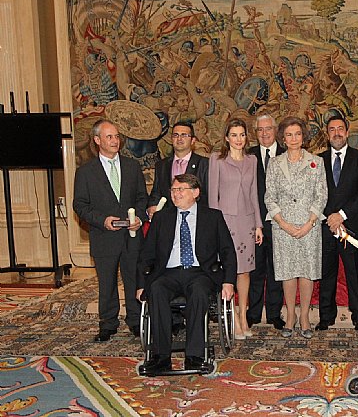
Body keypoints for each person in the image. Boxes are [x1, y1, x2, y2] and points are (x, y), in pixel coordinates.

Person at [136, 174, 237, 375]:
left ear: (196, 192)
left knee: (199, 292)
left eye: (181, 189)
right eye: (173, 190)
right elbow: (146, 254)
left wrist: (228, 281)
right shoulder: (162, 218)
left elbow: (228, 251)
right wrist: (141, 284)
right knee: (155, 289)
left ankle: (195, 355)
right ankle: (160, 357)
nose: (176, 194)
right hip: (169, 272)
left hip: (200, 272)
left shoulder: (212, 216)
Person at [73, 119, 148, 342]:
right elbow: (80, 205)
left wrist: (140, 218)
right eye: (109, 137)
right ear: (97, 140)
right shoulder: (86, 172)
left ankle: (135, 321)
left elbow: (142, 198)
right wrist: (102, 220)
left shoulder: (132, 167)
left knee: (134, 280)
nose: (115, 141)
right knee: (106, 283)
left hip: (131, 236)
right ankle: (108, 324)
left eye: (116, 137)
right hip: (104, 236)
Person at [264, 116, 327, 339]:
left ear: (303, 137)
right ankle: (290, 316)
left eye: (297, 134)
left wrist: (309, 223)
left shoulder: (316, 162)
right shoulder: (274, 163)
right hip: (283, 227)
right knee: (287, 272)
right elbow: (269, 197)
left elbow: (321, 196)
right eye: (289, 134)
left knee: (307, 271)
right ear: (282, 137)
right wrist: (283, 223)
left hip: (309, 226)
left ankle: (305, 317)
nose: (293, 138)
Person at [208, 118, 263, 339]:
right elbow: (213, 196)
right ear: (226, 138)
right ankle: (230, 321)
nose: (238, 139)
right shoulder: (217, 160)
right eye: (234, 135)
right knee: (228, 270)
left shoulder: (252, 160)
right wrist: (212, 228)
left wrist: (258, 224)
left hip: (247, 220)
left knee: (245, 271)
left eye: (242, 135)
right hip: (225, 220)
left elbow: (254, 194)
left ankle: (242, 318)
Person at [318, 114, 358, 331]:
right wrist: (330, 218)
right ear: (327, 134)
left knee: (353, 273)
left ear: (347, 132)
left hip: (350, 225)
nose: (337, 133)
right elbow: (316, 194)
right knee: (326, 272)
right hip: (325, 226)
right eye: (332, 129)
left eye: (340, 129)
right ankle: (326, 316)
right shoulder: (317, 160)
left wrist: (341, 215)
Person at [247, 114, 286, 330]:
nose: (264, 134)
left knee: (276, 270)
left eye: (268, 129)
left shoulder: (287, 154)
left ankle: (273, 313)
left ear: (275, 130)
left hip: (280, 223)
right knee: (255, 270)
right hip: (255, 222)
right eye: (260, 130)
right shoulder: (248, 156)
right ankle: (252, 313)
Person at [147, 122, 209, 217]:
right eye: (176, 135)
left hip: (197, 219)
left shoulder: (205, 164)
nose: (179, 139)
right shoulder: (161, 165)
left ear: (193, 140)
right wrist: (151, 207)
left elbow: (209, 195)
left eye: (184, 135)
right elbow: (156, 193)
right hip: (168, 221)